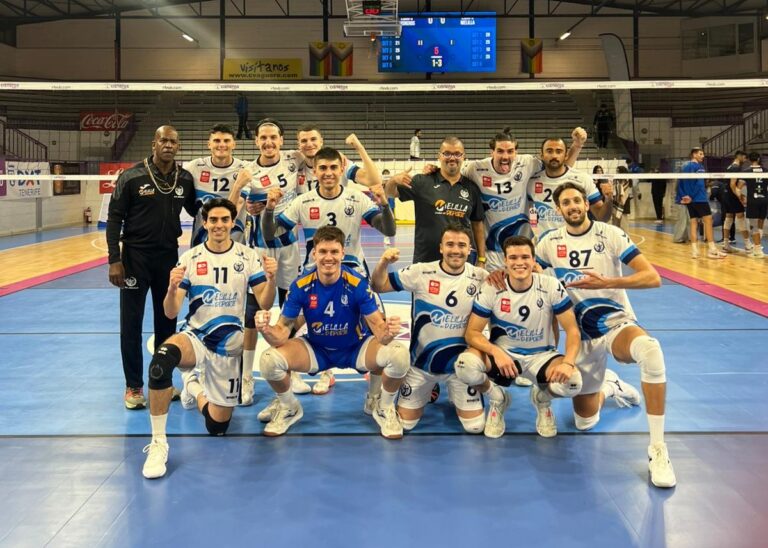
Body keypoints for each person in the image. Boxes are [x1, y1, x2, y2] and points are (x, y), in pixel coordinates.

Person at [536, 182, 676, 488]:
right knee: (584, 421)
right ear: (558, 210)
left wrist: (611, 280)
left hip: (614, 323)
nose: (572, 206)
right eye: (565, 203)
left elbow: (652, 278)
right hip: (580, 336)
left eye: (577, 200)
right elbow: (527, 274)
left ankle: (658, 450)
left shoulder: (609, 233)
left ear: (586, 204)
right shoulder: (549, 242)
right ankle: (610, 387)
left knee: (651, 351)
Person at [141, 198, 277, 479]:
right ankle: (158, 443)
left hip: (230, 345)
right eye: (213, 220)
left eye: (224, 220)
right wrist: (171, 287)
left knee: (217, 427)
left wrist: (272, 278)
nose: (219, 225)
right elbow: (171, 311)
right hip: (196, 335)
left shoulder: (247, 256)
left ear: (232, 223)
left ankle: (192, 385)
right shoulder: (190, 258)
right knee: (160, 364)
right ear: (205, 223)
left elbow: (264, 302)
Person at [253, 225, 410, 438]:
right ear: (314, 253)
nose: (329, 257)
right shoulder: (300, 285)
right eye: (323, 251)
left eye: (334, 252)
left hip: (354, 348)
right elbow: (280, 334)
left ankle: (384, 407)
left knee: (399, 354)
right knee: (269, 360)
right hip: (317, 349)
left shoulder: (357, 284)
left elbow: (380, 333)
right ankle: (289, 407)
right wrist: (265, 329)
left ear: (343, 253)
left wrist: (389, 331)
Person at [455, 235, 582, 438]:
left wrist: (568, 362)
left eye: (525, 257)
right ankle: (498, 398)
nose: (519, 263)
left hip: (542, 356)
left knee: (574, 382)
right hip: (504, 355)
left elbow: (573, 330)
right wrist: (495, 351)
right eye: (513, 258)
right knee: (465, 365)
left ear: (533, 260)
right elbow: (472, 333)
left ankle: (542, 398)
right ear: (505, 261)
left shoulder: (550, 285)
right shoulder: (492, 287)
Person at [106, 125, 197, 410]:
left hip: (168, 257)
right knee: (131, 324)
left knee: (167, 321)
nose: (168, 145)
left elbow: (197, 210)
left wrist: (236, 201)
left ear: (178, 146)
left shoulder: (184, 178)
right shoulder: (131, 176)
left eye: (173, 141)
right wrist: (114, 259)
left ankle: (163, 381)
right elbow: (114, 219)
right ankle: (133, 387)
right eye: (163, 141)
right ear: (153, 143)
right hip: (135, 258)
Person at [370, 224, 489, 433]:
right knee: (405, 424)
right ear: (441, 247)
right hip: (421, 367)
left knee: (476, 427)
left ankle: (456, 392)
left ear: (470, 249)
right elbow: (379, 286)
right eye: (450, 244)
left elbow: (512, 289)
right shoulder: (421, 272)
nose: (455, 250)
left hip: (460, 368)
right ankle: (429, 387)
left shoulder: (480, 277)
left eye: (461, 245)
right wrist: (383, 263)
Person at [236, 118, 311, 401]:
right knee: (253, 314)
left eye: (273, 137)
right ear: (256, 141)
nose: (268, 143)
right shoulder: (248, 171)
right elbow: (246, 205)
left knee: (289, 310)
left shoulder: (295, 160)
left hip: (289, 247)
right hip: (259, 249)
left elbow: (317, 153)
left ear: (282, 140)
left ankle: (293, 372)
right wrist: (252, 206)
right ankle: (245, 379)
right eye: (263, 138)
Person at [262, 138, 394, 277]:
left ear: (342, 170)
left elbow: (389, 230)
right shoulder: (302, 202)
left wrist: (385, 205)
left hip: (353, 269)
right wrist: (269, 209)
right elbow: (271, 234)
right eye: (323, 168)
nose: (328, 173)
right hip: (315, 271)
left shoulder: (358, 198)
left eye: (333, 167)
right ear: (314, 171)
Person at [461, 127, 587, 272]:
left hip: (522, 249)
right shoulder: (475, 168)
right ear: (492, 152)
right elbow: (454, 175)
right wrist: (434, 172)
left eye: (510, 151)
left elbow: (558, 167)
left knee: (523, 292)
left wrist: (577, 146)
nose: (505, 156)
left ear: (516, 152)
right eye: (500, 151)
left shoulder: (527, 163)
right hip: (492, 251)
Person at [385, 135, 485, 265]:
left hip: (461, 263)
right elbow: (390, 193)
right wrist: (393, 180)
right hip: (426, 262)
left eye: (457, 154)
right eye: (447, 153)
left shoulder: (471, 188)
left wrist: (482, 259)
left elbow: (478, 225)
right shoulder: (422, 181)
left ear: (463, 157)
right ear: (439, 156)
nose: (452, 158)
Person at [528, 137, 611, 238]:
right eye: (549, 151)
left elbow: (602, 217)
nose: (554, 155)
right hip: (546, 245)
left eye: (559, 151)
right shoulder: (532, 182)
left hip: (576, 244)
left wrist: (608, 199)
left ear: (566, 155)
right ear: (542, 155)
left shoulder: (582, 179)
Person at [183, 124, 249, 247]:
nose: (222, 145)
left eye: (227, 141)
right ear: (209, 144)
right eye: (217, 140)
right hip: (201, 240)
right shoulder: (194, 167)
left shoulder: (245, 169)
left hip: (234, 240)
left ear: (234, 144)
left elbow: (236, 206)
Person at [676, 147, 727, 259]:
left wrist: (684, 196)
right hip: (699, 198)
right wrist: (692, 196)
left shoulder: (684, 167)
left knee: (694, 223)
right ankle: (712, 250)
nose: (703, 156)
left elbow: (680, 183)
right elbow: (699, 184)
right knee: (708, 221)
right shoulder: (699, 167)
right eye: (700, 154)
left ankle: (695, 251)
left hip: (688, 199)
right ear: (694, 154)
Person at [721, 150, 752, 254]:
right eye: (744, 158)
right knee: (741, 218)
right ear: (739, 156)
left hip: (726, 195)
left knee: (728, 219)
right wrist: (739, 196)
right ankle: (748, 245)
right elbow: (732, 184)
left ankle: (726, 245)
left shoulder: (729, 166)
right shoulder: (736, 168)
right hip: (732, 196)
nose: (745, 160)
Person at [742, 151, 766, 258]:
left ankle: (757, 249)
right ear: (759, 159)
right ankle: (758, 246)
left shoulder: (746, 171)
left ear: (749, 160)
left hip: (753, 200)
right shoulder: (766, 170)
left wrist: (742, 197)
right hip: (764, 200)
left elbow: (738, 186)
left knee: (754, 225)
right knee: (761, 221)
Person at [610, 165, 633, 232]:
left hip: (624, 205)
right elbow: (613, 192)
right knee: (615, 224)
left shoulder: (627, 181)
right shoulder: (615, 181)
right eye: (616, 171)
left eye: (618, 171)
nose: (616, 173)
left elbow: (626, 193)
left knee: (623, 223)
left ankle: (626, 239)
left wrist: (618, 188)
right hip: (615, 204)